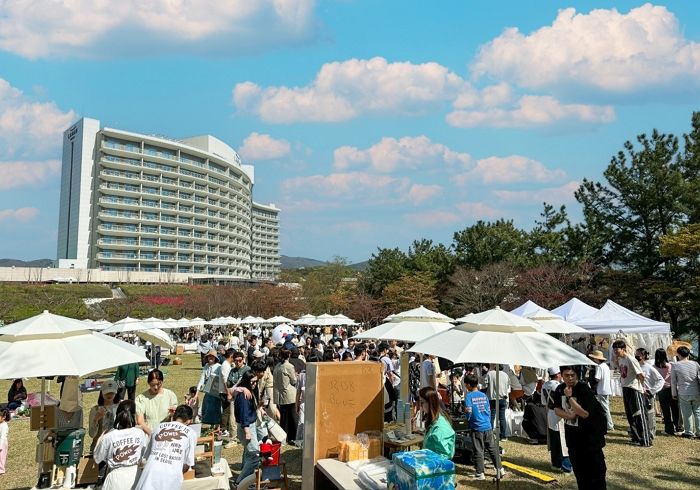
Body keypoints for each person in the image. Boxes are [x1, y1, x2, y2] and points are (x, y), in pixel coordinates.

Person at [554, 366, 607, 489]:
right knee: (580, 473)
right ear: (561, 375)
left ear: (577, 375)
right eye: (567, 375)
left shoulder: (584, 389)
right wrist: (568, 415)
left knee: (596, 474)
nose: (570, 378)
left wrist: (569, 398)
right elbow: (556, 409)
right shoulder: (559, 389)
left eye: (572, 375)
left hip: (590, 439)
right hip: (573, 439)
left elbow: (584, 413)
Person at [135, 405, 197, 490]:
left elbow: (146, 456)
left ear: (174, 416)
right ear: (189, 421)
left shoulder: (158, 427)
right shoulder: (191, 433)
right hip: (170, 478)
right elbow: (188, 463)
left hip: (150, 474)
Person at [93, 400, 148, 490]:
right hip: (135, 475)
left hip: (116, 478)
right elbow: (143, 457)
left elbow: (97, 458)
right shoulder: (140, 433)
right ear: (134, 415)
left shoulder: (109, 436)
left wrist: (100, 439)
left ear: (117, 414)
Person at [462, 375, 505, 480]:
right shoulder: (484, 395)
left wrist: (468, 418)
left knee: (478, 449)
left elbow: (469, 411)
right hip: (487, 426)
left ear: (468, 385)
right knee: (492, 448)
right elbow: (488, 410)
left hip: (477, 427)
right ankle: (500, 468)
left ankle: (480, 473)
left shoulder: (469, 396)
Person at [612, 339, 651, 446]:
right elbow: (620, 371)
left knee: (639, 415)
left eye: (617, 349)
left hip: (634, 389)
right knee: (630, 415)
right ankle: (636, 437)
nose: (615, 351)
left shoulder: (631, 359)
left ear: (623, 349)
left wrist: (643, 388)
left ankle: (646, 440)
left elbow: (640, 375)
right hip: (625, 388)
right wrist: (616, 360)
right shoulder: (620, 360)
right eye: (614, 349)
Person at [541, 367, 572, 473]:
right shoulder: (560, 387)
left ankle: (555, 463)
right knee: (563, 441)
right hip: (560, 415)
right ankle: (566, 466)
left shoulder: (545, 385)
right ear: (558, 375)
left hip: (550, 413)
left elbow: (544, 401)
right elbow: (565, 403)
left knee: (554, 440)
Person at [234, 371, 262, 485]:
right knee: (255, 456)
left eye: (256, 381)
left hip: (251, 425)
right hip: (247, 427)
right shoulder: (244, 395)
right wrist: (247, 431)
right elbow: (244, 414)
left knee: (248, 454)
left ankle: (247, 482)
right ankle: (240, 482)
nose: (254, 384)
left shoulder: (249, 391)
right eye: (252, 382)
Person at [135, 369, 178, 436]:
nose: (156, 387)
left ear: (162, 381)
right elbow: (140, 421)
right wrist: (152, 434)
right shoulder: (141, 398)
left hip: (166, 433)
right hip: (149, 434)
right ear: (148, 383)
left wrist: (173, 413)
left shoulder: (170, 395)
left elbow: (176, 419)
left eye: (158, 384)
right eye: (153, 385)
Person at [417, 386, 455, 460]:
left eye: (422, 402)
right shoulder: (434, 420)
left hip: (435, 468)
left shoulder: (440, 426)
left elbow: (444, 457)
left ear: (430, 403)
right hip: (429, 464)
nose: (420, 406)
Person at [635, 347, 665, 442]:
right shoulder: (635, 366)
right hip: (637, 393)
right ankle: (641, 432)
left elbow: (661, 380)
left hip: (648, 394)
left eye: (638, 354)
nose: (636, 356)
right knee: (639, 414)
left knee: (650, 414)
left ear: (643, 356)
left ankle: (651, 433)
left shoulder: (649, 368)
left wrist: (652, 390)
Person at [671, 346, 700, 438]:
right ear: (688, 354)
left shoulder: (675, 365)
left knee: (687, 413)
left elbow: (673, 381)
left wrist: (674, 393)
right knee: (698, 412)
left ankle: (689, 432)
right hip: (696, 391)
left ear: (678, 354)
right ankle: (699, 432)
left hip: (683, 392)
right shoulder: (696, 364)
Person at [654, 348, 681, 435]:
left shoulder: (654, 367)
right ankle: (678, 427)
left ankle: (668, 429)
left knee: (665, 411)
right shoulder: (670, 365)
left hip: (662, 389)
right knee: (675, 409)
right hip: (672, 389)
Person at [196, 349, 225, 428]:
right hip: (208, 390)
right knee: (208, 408)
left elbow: (222, 379)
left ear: (215, 358)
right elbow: (202, 378)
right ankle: (211, 425)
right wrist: (197, 393)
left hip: (216, 391)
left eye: (212, 357)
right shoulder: (206, 366)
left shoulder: (219, 367)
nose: (210, 358)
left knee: (217, 408)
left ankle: (218, 426)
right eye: (209, 357)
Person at [88, 380, 120, 453]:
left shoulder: (120, 407)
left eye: (112, 392)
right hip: (99, 448)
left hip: (116, 447)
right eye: (107, 392)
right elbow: (91, 434)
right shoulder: (95, 409)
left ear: (116, 393)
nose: (109, 395)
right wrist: (96, 419)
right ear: (101, 393)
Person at [273, 348, 298, 442]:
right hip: (289, 394)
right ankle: (293, 436)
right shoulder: (289, 366)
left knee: (284, 418)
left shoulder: (277, 366)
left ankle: (284, 436)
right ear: (289, 355)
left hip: (280, 395)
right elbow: (293, 380)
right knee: (293, 416)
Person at [588, 350, 614, 431]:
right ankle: (607, 424)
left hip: (601, 390)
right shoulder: (605, 366)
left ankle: (609, 425)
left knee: (604, 408)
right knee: (605, 407)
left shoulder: (599, 367)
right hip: (606, 389)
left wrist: (590, 378)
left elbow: (597, 379)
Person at [484, 364, 510, 440]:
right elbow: (508, 385)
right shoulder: (506, 375)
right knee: (502, 418)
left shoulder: (490, 373)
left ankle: (490, 436)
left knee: (491, 417)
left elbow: (485, 384)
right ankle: (503, 436)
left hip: (492, 398)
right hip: (503, 398)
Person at [0, 408, 8, 476]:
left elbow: (3, 436)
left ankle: (1, 470)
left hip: (2, 443)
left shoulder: (4, 426)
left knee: (1, 457)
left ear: (4, 417)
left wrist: (0, 446)